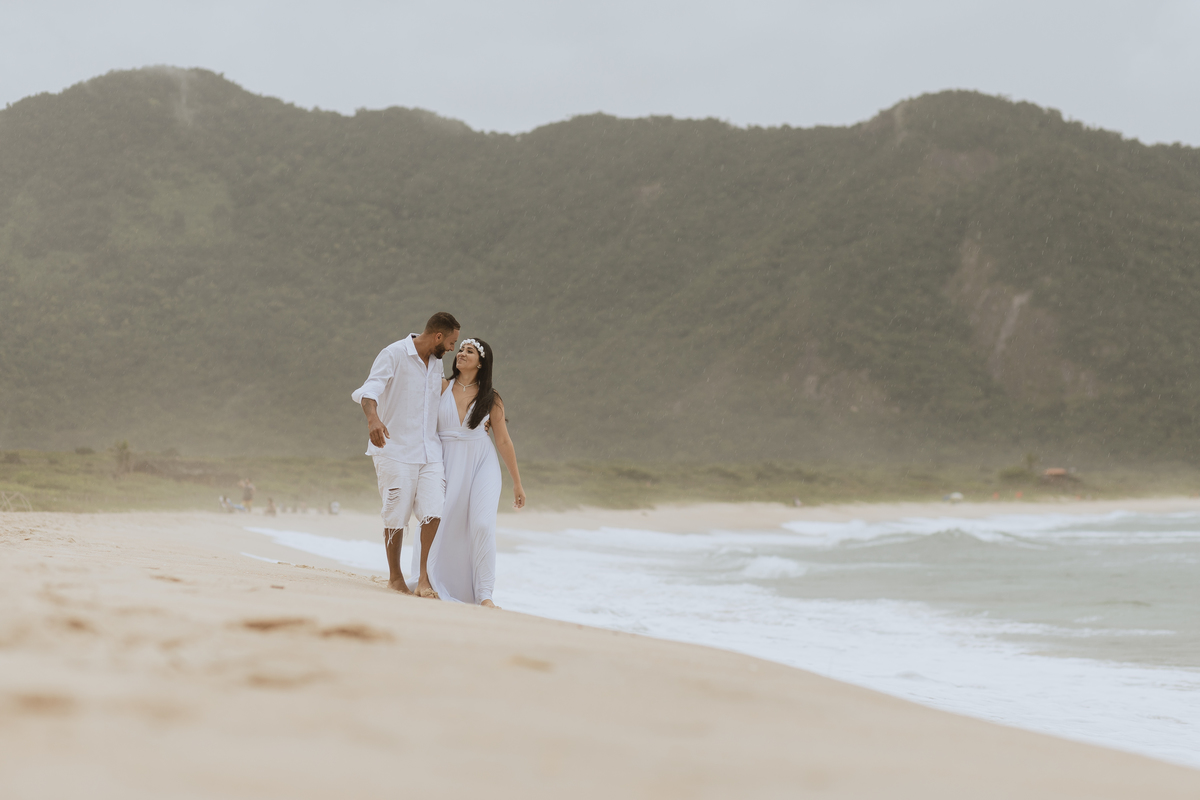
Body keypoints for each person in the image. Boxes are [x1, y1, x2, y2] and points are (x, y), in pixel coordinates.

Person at [352, 312, 460, 598]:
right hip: (394, 448)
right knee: (395, 513)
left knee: (434, 510)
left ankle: (424, 578)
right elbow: (369, 392)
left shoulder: (436, 363)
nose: (452, 349)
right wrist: (373, 420)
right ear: (438, 336)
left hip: (430, 451)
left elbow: (446, 397)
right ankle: (395, 577)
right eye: (451, 342)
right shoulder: (394, 354)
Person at [426, 337, 525, 608]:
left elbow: (503, 441)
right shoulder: (441, 387)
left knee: (482, 524)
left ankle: (485, 595)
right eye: (460, 350)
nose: (461, 353)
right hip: (446, 462)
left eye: (469, 351)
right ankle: (434, 580)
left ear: (481, 363)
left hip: (482, 463)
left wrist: (517, 482)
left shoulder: (491, 397)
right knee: (444, 523)